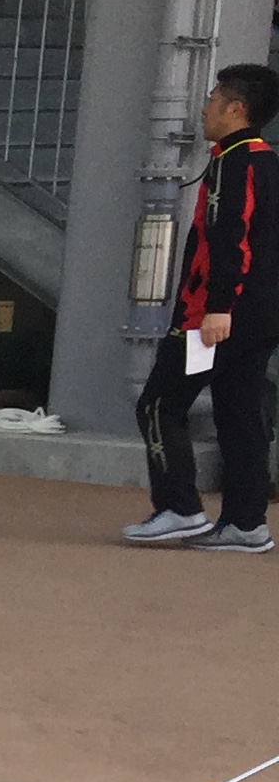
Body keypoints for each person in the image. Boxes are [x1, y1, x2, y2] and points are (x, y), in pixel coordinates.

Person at [127, 63, 279, 553]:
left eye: (214, 97)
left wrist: (217, 308)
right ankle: (245, 523)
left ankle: (179, 508)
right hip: (261, 315)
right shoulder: (269, 162)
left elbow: (228, 237)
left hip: (216, 316)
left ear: (236, 109)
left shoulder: (234, 164)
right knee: (239, 413)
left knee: (158, 403)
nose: (206, 106)